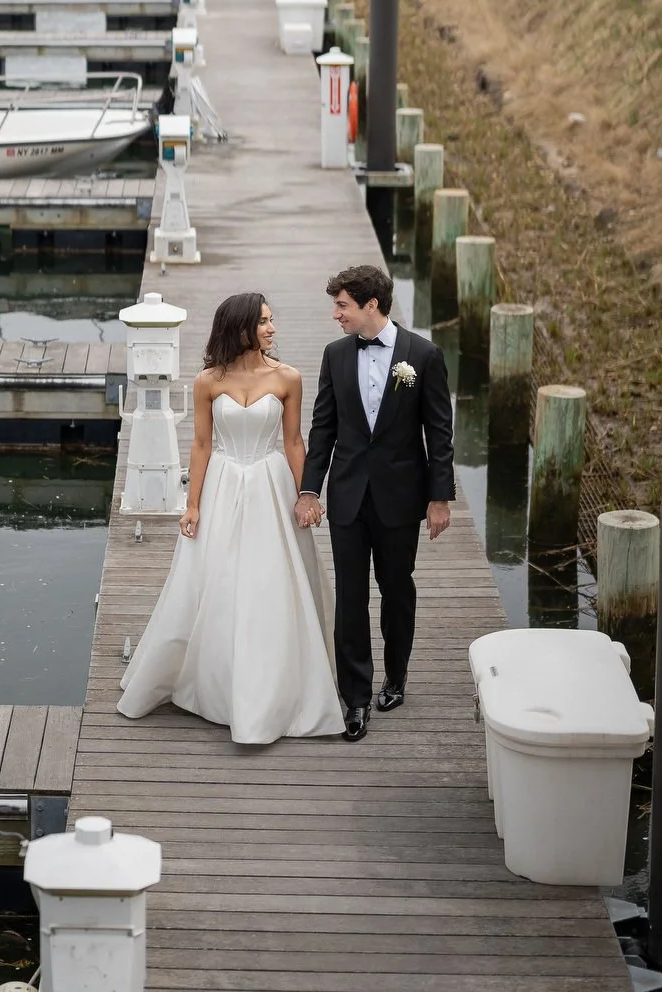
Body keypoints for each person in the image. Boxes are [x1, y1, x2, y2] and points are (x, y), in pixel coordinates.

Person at [117, 292, 344, 745]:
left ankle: (271, 691)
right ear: (240, 327)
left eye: (271, 321)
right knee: (213, 582)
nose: (271, 329)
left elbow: (295, 442)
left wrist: (307, 495)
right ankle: (213, 685)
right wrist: (193, 504)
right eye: (263, 322)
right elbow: (201, 445)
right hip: (222, 484)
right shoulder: (207, 381)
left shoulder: (288, 378)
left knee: (270, 584)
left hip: (270, 484)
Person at [296, 263, 455, 743]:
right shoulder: (335, 355)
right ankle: (356, 698)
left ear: (371, 305)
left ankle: (397, 676)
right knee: (350, 596)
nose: (335, 315)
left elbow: (439, 433)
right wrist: (309, 489)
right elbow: (323, 427)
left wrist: (440, 497)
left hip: (400, 498)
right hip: (347, 495)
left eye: (342, 305)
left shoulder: (423, 356)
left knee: (396, 589)